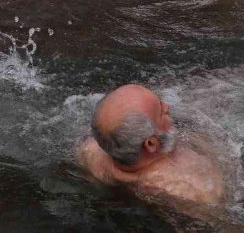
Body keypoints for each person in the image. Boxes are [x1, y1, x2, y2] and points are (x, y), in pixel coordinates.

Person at [77, 84, 226, 206]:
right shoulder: (186, 189)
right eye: (161, 111)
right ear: (151, 144)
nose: (167, 106)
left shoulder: (89, 151)